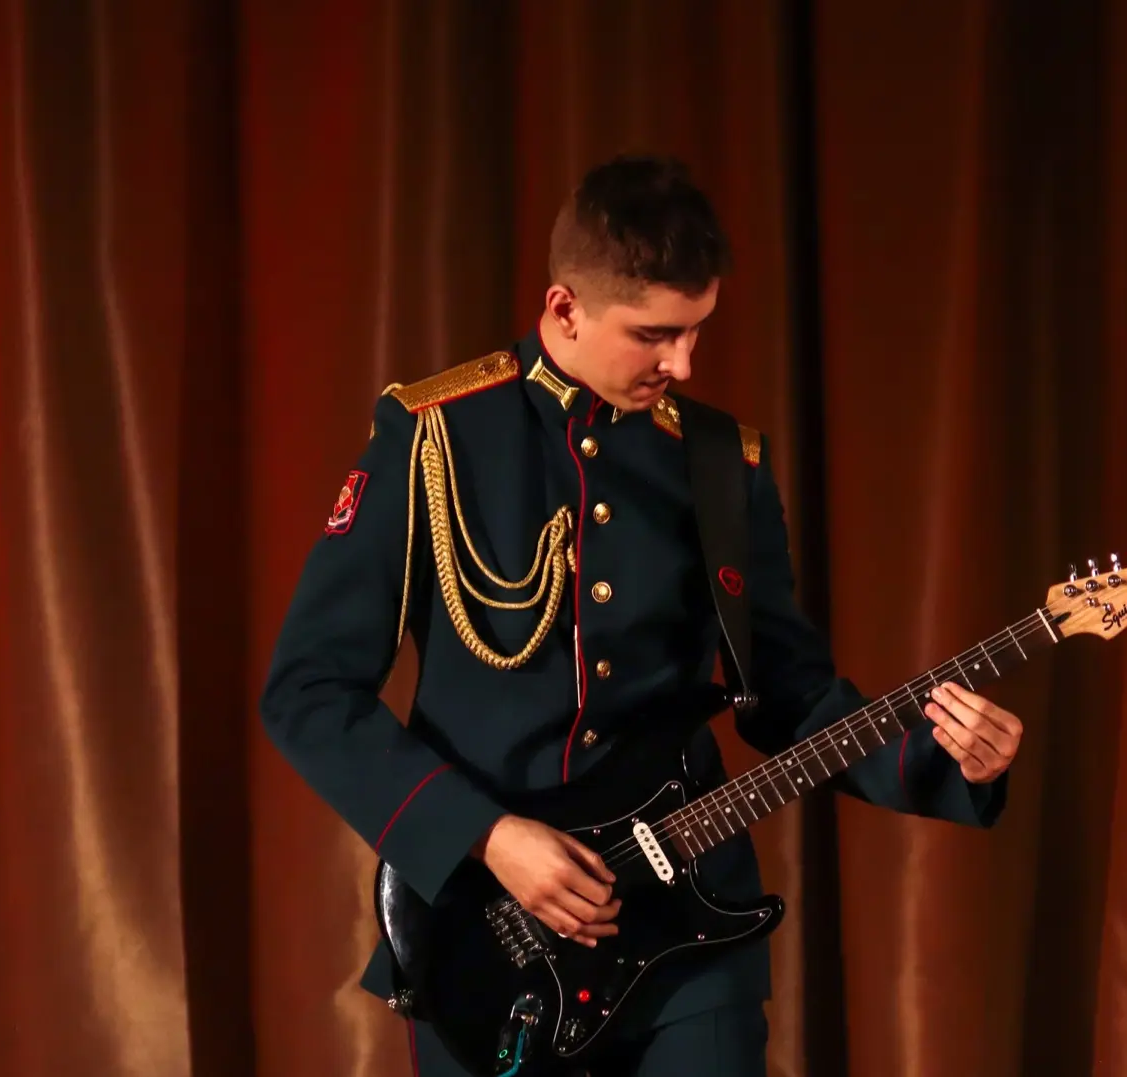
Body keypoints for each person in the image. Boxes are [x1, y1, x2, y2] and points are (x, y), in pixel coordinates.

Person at [259, 154, 1023, 1076]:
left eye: (696, 332)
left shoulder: (723, 465)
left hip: (693, 925)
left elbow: (789, 696)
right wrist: (486, 836)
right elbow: (308, 691)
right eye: (655, 335)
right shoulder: (436, 437)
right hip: (487, 936)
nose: (683, 363)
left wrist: (943, 755)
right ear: (564, 308)